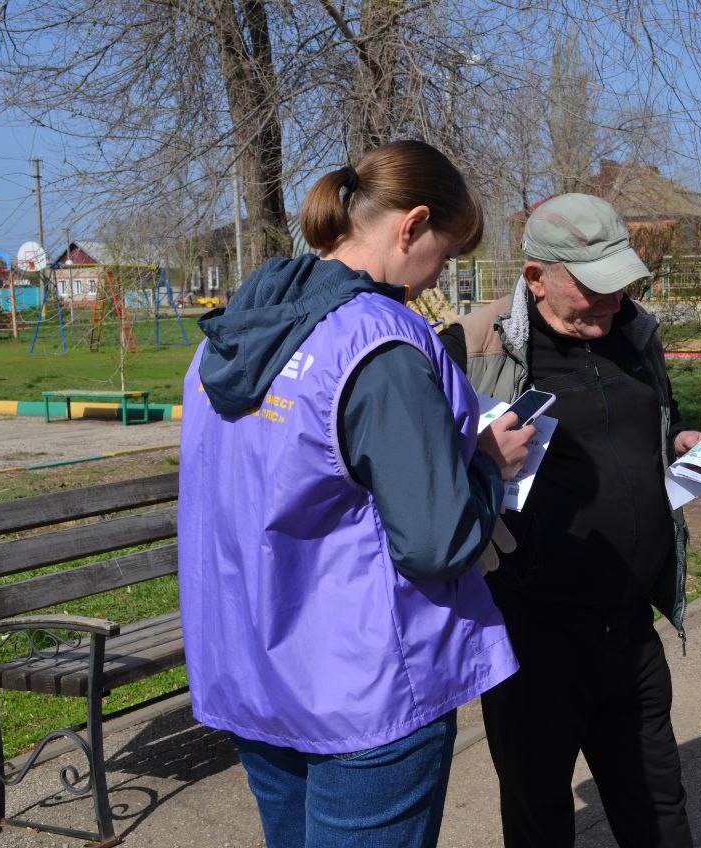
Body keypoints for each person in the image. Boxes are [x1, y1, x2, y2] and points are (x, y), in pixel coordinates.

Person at [176, 140, 536, 848]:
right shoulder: (380, 346)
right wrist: (490, 465)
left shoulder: (230, 337)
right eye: (447, 253)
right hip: (365, 693)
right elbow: (436, 540)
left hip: (254, 670)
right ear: (413, 225)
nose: (439, 276)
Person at [439, 193, 701, 848]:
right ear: (537, 277)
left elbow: (645, 425)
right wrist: (476, 453)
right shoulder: (468, 348)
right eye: (595, 287)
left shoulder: (638, 336)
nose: (614, 300)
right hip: (530, 634)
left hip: (627, 625)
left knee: (659, 808)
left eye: (623, 284)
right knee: (538, 816)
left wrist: (678, 442)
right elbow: (428, 479)